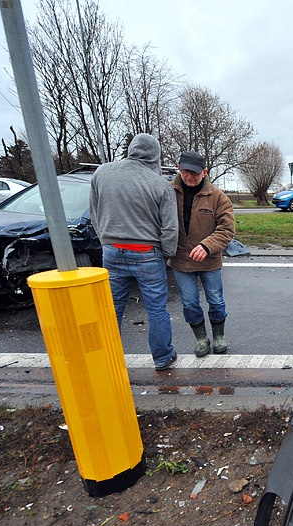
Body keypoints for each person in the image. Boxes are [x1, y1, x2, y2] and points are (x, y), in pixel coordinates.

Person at [89, 133, 179, 371]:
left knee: (112, 307)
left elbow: (95, 213)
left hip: (112, 250)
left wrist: (105, 240)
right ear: (155, 155)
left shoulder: (102, 173)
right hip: (147, 251)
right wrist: (166, 254)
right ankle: (162, 357)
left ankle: (108, 357)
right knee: (156, 308)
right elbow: (170, 227)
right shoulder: (160, 184)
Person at [168, 151, 236, 357]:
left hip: (209, 261)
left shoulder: (218, 197)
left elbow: (227, 229)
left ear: (204, 172)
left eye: (194, 173)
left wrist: (207, 246)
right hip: (181, 261)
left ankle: (218, 336)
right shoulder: (168, 193)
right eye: (185, 171)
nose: (189, 176)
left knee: (216, 300)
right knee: (189, 303)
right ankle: (200, 339)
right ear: (179, 167)